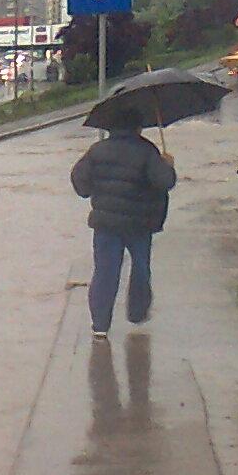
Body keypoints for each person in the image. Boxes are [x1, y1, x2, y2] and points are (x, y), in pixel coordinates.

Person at [70, 125, 177, 338]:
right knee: (141, 268)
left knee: (105, 272)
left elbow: (80, 182)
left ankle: (100, 325)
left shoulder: (97, 151)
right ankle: (137, 313)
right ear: (138, 126)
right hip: (139, 224)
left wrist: (96, 189)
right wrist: (168, 166)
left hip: (106, 224)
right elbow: (165, 182)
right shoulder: (147, 150)